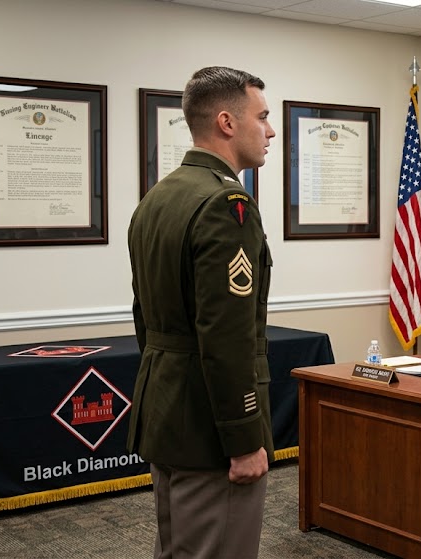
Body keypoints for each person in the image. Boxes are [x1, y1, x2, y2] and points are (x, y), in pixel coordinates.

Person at [127, 66, 276, 559]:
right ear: (227, 123)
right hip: (212, 427)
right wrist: (243, 438)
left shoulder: (158, 197)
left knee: (177, 549)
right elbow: (226, 335)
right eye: (262, 117)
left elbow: (144, 316)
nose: (271, 131)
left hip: (168, 409)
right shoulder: (226, 203)